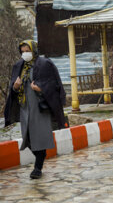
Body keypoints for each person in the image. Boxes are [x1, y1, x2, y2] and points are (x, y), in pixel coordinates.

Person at [4, 40, 67, 179]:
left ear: (34, 50)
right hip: (25, 108)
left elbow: (54, 84)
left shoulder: (45, 64)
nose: (25, 53)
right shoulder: (19, 66)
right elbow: (13, 88)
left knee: (40, 137)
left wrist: (41, 89)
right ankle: (41, 156)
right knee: (28, 139)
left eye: (28, 50)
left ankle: (37, 168)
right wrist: (15, 87)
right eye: (23, 51)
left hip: (40, 107)